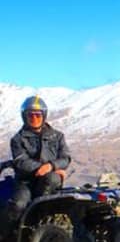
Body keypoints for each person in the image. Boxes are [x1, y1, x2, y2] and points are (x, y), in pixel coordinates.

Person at [6, 95, 71, 225]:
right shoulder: (17, 139)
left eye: (38, 115)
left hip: (51, 183)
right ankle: (10, 237)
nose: (34, 118)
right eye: (31, 115)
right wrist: (45, 168)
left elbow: (66, 158)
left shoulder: (57, 136)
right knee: (18, 205)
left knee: (53, 180)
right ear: (24, 116)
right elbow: (21, 162)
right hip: (26, 182)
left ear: (44, 115)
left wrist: (52, 166)